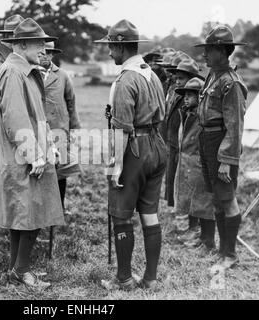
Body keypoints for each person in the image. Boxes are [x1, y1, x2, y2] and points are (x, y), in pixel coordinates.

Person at [0, 18, 65, 290]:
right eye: (38, 44)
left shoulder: (24, 69)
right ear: (21, 44)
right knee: (30, 212)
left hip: (28, 150)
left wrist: (49, 144)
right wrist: (34, 154)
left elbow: (35, 114)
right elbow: (16, 118)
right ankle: (21, 270)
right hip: (22, 154)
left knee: (24, 214)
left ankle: (17, 268)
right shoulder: (13, 72)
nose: (44, 49)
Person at [95, 20, 167, 291]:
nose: (109, 53)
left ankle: (123, 279)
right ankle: (150, 279)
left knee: (122, 215)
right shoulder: (152, 74)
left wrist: (116, 166)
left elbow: (122, 129)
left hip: (134, 148)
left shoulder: (125, 80)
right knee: (150, 214)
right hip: (157, 146)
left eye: (111, 47)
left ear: (121, 46)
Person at [194, 25, 247, 270]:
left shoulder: (230, 83)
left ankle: (230, 254)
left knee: (227, 198)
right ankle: (222, 250)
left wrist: (227, 159)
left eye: (210, 49)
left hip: (221, 144)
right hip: (207, 141)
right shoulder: (212, 76)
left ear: (223, 51)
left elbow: (234, 125)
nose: (205, 54)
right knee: (216, 197)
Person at [173, 78, 216, 252]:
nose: (186, 98)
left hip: (199, 164)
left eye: (191, 95)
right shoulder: (187, 113)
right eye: (185, 95)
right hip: (187, 163)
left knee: (204, 205)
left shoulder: (203, 116)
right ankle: (199, 237)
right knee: (192, 203)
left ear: (201, 96)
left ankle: (209, 242)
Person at [38, 41, 81, 214]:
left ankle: (59, 208)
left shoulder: (62, 75)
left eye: (48, 53)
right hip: (39, 130)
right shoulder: (30, 75)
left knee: (60, 171)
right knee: (41, 169)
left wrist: (74, 129)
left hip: (59, 130)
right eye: (42, 52)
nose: (45, 56)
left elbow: (71, 102)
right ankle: (42, 209)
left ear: (53, 54)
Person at [164, 59, 204, 234]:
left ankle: (193, 225)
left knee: (192, 189)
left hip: (191, 154)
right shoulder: (179, 96)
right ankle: (183, 219)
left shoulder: (196, 107)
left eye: (181, 78)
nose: (177, 81)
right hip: (176, 144)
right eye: (176, 78)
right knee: (176, 181)